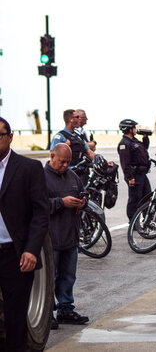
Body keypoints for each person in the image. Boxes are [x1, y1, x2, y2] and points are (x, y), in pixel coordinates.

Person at [0, 117, 49, 351]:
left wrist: (31, 249)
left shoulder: (29, 168)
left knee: (15, 317)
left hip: (15, 255)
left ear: (10, 137)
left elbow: (41, 214)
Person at [45, 143, 89, 326]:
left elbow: (82, 191)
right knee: (49, 278)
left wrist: (83, 200)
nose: (65, 165)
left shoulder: (72, 175)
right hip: (50, 239)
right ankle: (48, 313)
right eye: (61, 162)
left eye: (68, 162)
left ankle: (65, 309)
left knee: (68, 276)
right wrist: (61, 202)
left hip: (70, 237)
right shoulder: (40, 177)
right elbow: (36, 206)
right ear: (52, 156)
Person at [117, 119, 151, 221]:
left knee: (147, 196)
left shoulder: (134, 141)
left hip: (142, 174)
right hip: (134, 175)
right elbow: (125, 163)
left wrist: (145, 138)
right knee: (135, 199)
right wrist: (130, 177)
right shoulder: (124, 144)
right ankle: (133, 221)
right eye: (134, 128)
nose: (136, 129)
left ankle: (147, 219)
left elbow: (143, 149)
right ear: (129, 129)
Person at [50, 109, 96, 184]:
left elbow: (89, 152)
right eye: (77, 117)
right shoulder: (60, 137)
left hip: (82, 175)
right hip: (68, 176)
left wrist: (104, 162)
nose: (79, 119)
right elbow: (53, 157)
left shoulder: (78, 136)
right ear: (71, 119)